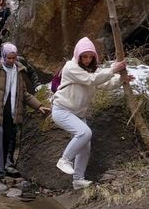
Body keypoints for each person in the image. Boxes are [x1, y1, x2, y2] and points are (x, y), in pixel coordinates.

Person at [52, 37, 129, 190]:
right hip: (62, 110)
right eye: (84, 56)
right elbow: (91, 80)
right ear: (78, 55)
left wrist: (122, 80)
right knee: (84, 133)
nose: (87, 60)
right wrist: (113, 69)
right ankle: (64, 159)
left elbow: (105, 83)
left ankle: (78, 180)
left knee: (85, 147)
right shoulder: (70, 67)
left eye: (90, 57)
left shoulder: (92, 71)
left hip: (78, 114)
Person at [0, 42, 49, 179]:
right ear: (4, 56)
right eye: (9, 58)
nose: (11, 61)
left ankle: (3, 166)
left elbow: (24, 93)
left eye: (13, 58)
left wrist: (38, 105)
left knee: (7, 138)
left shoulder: (19, 70)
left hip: (12, 110)